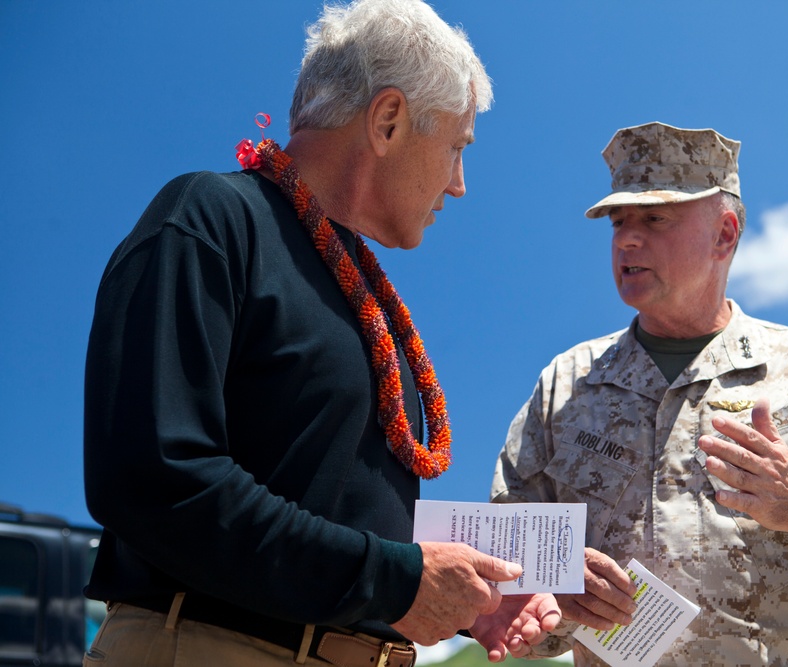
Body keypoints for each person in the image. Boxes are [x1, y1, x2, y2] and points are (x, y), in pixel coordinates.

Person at [82, 1, 561, 665]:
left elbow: (334, 510)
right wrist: (393, 579)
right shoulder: (213, 219)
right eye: (456, 147)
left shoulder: (358, 287)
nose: (459, 184)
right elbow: (155, 478)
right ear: (389, 120)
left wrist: (471, 593)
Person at [490, 121, 788, 665]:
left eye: (654, 218)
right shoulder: (566, 384)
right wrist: (548, 590)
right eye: (618, 221)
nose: (627, 238)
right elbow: (503, 557)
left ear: (724, 234)